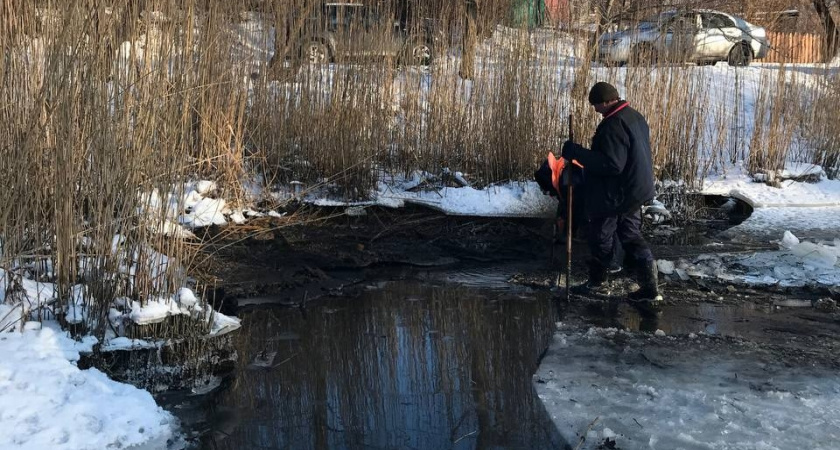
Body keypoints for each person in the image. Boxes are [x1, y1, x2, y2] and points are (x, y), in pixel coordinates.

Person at [560, 82, 662, 302]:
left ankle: (601, 280)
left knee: (600, 234)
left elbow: (612, 164)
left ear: (606, 102)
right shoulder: (634, 116)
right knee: (630, 234)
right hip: (634, 188)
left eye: (596, 104)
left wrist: (577, 153)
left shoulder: (613, 125)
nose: (595, 109)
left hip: (617, 192)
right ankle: (650, 288)